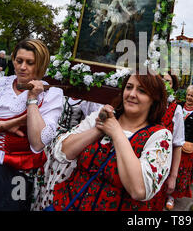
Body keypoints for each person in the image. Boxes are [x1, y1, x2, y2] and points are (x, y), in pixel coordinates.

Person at [0, 39, 63, 210]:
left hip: (20, 176)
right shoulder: (1, 85)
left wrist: (32, 99)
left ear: (41, 65)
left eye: (30, 63)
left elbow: (38, 142)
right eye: (19, 60)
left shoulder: (51, 94)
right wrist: (6, 124)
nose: (22, 67)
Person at [49, 72, 173, 211]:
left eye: (142, 91)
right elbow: (62, 152)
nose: (132, 94)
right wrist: (98, 130)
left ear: (154, 99)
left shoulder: (160, 136)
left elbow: (139, 190)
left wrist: (116, 133)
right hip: (68, 203)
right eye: (129, 87)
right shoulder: (102, 117)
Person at [166, 85, 193, 210]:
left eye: (192, 96)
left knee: (178, 173)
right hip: (170, 144)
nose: (189, 97)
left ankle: (171, 197)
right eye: (188, 95)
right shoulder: (176, 106)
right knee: (166, 168)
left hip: (185, 149)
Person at [149, 72, 185, 211]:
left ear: (173, 87)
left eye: (168, 82)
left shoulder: (176, 110)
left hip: (160, 165)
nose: (164, 84)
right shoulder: (148, 102)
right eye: (161, 80)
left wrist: (173, 176)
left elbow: (177, 145)